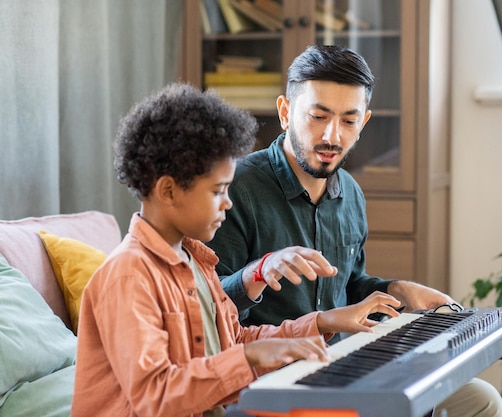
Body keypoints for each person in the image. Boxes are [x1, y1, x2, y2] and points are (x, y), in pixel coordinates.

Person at [70, 82, 403, 417]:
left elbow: (232, 340)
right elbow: (155, 396)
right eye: (218, 191)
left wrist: (322, 321)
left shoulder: (196, 262)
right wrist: (249, 358)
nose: (228, 203)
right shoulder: (129, 276)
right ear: (168, 191)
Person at [208, 45, 502, 417]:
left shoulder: (350, 192)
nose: (332, 135)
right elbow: (205, 309)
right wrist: (258, 272)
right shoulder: (233, 188)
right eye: (318, 116)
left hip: (341, 366)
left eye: (348, 121)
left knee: (481, 400)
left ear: (363, 124)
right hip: (268, 380)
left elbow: (348, 287)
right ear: (285, 113)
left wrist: (397, 289)